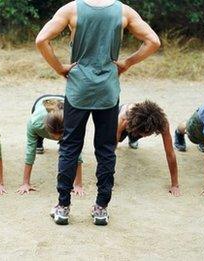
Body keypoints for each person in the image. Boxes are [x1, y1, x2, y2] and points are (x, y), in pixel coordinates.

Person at [36, 0, 160, 225]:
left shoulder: (72, 9)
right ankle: (101, 208)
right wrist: (127, 63)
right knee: (105, 149)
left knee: (70, 146)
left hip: (78, 89)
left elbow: (41, 39)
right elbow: (153, 41)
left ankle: (63, 206)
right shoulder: (123, 11)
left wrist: (59, 67)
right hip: (107, 90)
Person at [17, 94, 85, 196]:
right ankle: (39, 141)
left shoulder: (73, 124)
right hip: (41, 102)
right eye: (54, 136)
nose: (56, 139)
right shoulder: (35, 122)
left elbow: (77, 153)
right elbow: (30, 151)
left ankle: (63, 142)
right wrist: (25, 183)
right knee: (36, 143)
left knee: (68, 148)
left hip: (64, 104)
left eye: (59, 136)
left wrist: (78, 184)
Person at [116, 100, 180, 196]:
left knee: (136, 135)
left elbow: (170, 153)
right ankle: (132, 136)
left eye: (147, 134)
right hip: (126, 121)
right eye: (143, 134)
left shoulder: (162, 123)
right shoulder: (123, 118)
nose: (145, 137)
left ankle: (133, 138)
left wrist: (175, 185)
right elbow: (110, 149)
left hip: (137, 126)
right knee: (117, 139)